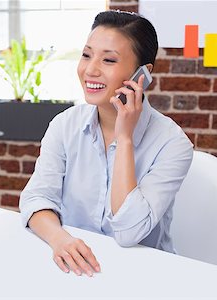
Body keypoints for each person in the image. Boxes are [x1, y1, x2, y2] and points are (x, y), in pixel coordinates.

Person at [19, 10, 194, 277]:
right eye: (87, 55)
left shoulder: (172, 144)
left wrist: (125, 139)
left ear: (142, 75)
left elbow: (128, 232)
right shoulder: (64, 125)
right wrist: (60, 239)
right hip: (75, 268)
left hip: (143, 275)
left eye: (109, 59)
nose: (90, 70)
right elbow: (36, 198)